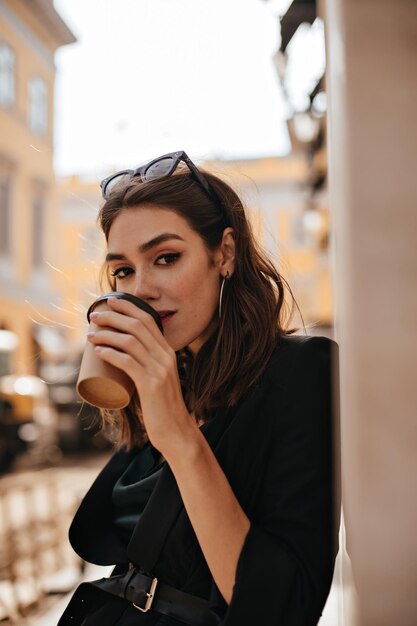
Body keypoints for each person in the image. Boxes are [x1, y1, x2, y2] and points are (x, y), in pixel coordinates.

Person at [59, 151, 339, 626]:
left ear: (224, 254)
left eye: (166, 258)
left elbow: (286, 607)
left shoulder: (298, 371)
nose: (140, 288)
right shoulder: (172, 377)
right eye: (123, 271)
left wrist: (181, 438)